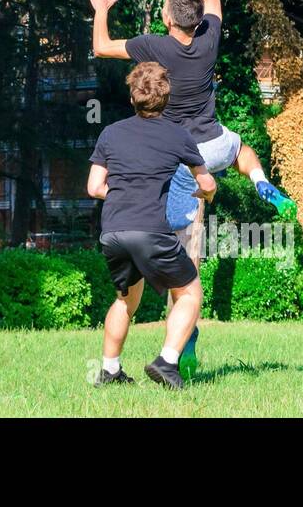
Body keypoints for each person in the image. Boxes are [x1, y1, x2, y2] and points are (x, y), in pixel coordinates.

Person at [84, 0, 296, 378]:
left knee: (172, 259)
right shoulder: (207, 41)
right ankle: (260, 180)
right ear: (197, 21)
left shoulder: (154, 49)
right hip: (210, 144)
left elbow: (103, 47)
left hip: (171, 156)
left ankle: (146, 355)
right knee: (242, 149)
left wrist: (101, 9)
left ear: (165, 18)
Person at [87, 61, 216, 390]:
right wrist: (204, 192)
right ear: (166, 98)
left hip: (113, 230)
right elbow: (208, 182)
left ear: (132, 97)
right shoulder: (177, 135)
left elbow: (94, 187)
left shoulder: (111, 133)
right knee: (189, 292)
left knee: (124, 299)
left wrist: (121, 196)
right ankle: (167, 362)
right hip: (150, 231)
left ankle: (109, 370)